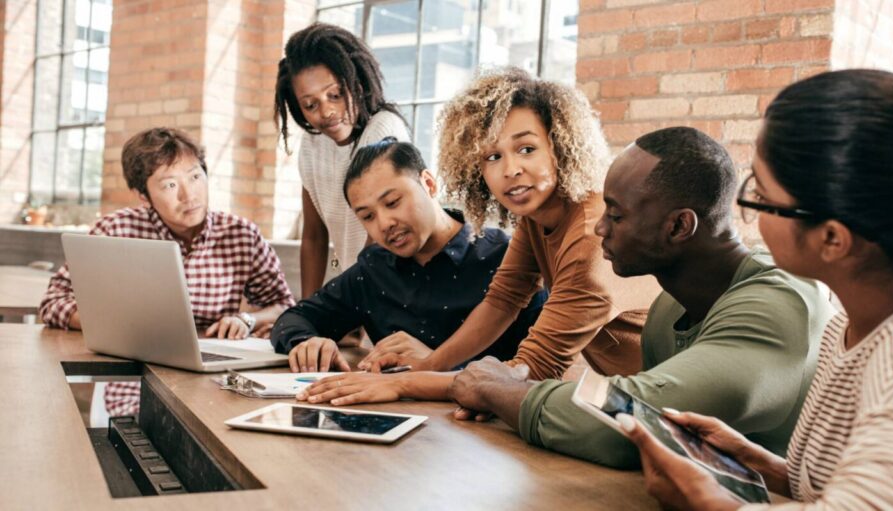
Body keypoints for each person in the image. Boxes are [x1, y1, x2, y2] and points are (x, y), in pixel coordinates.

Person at [617, 69, 893, 510]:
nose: (751, 215)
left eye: (761, 196)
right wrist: (763, 467)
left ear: (832, 238)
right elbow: (860, 488)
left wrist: (711, 504)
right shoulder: (849, 326)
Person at [444, 127, 832, 468]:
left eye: (616, 215)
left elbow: (631, 425)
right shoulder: (667, 310)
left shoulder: (780, 303)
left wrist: (496, 389)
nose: (599, 227)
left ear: (679, 225)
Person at [355, 66, 662, 380]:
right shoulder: (536, 216)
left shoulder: (591, 235)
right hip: (644, 390)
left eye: (526, 149)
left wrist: (404, 383)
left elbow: (536, 368)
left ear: (560, 146)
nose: (510, 169)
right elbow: (503, 300)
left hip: (683, 401)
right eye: (492, 157)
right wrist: (428, 366)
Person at [40, 127, 295, 416]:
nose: (189, 195)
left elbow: (283, 305)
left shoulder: (241, 234)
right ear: (143, 195)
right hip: (135, 375)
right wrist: (113, 323)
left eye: (196, 176)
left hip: (214, 376)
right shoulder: (115, 231)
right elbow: (53, 303)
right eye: (170, 185)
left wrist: (246, 319)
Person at [271, 138, 545, 373]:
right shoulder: (373, 270)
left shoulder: (507, 259)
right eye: (367, 216)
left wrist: (436, 363)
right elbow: (293, 320)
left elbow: (533, 373)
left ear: (428, 183)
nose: (384, 223)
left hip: (482, 430)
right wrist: (309, 343)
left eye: (393, 203)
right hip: (388, 421)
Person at [274, 22, 410, 298]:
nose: (327, 112)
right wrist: (309, 313)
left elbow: (378, 242)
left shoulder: (383, 129)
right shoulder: (313, 145)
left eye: (335, 95)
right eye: (311, 105)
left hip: (394, 289)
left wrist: (348, 313)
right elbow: (313, 237)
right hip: (357, 291)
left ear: (356, 82)